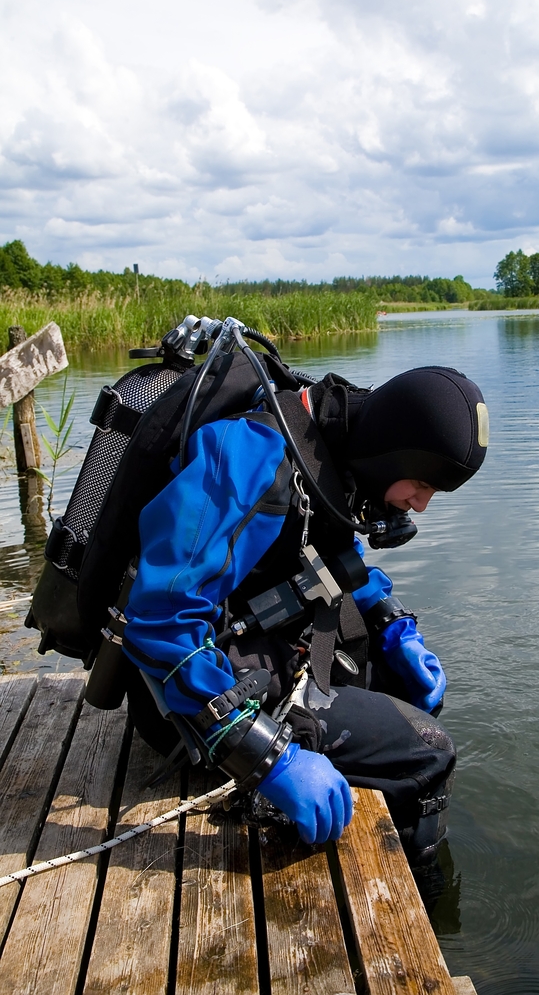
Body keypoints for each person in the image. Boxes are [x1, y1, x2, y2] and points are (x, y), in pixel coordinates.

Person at [122, 364, 488, 865]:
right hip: (189, 701)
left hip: (258, 645)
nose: (421, 507)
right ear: (393, 450)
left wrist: (394, 626)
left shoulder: (325, 442)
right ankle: (419, 901)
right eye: (422, 484)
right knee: (428, 756)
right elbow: (159, 622)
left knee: (409, 696)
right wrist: (268, 758)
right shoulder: (249, 455)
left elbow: (332, 556)